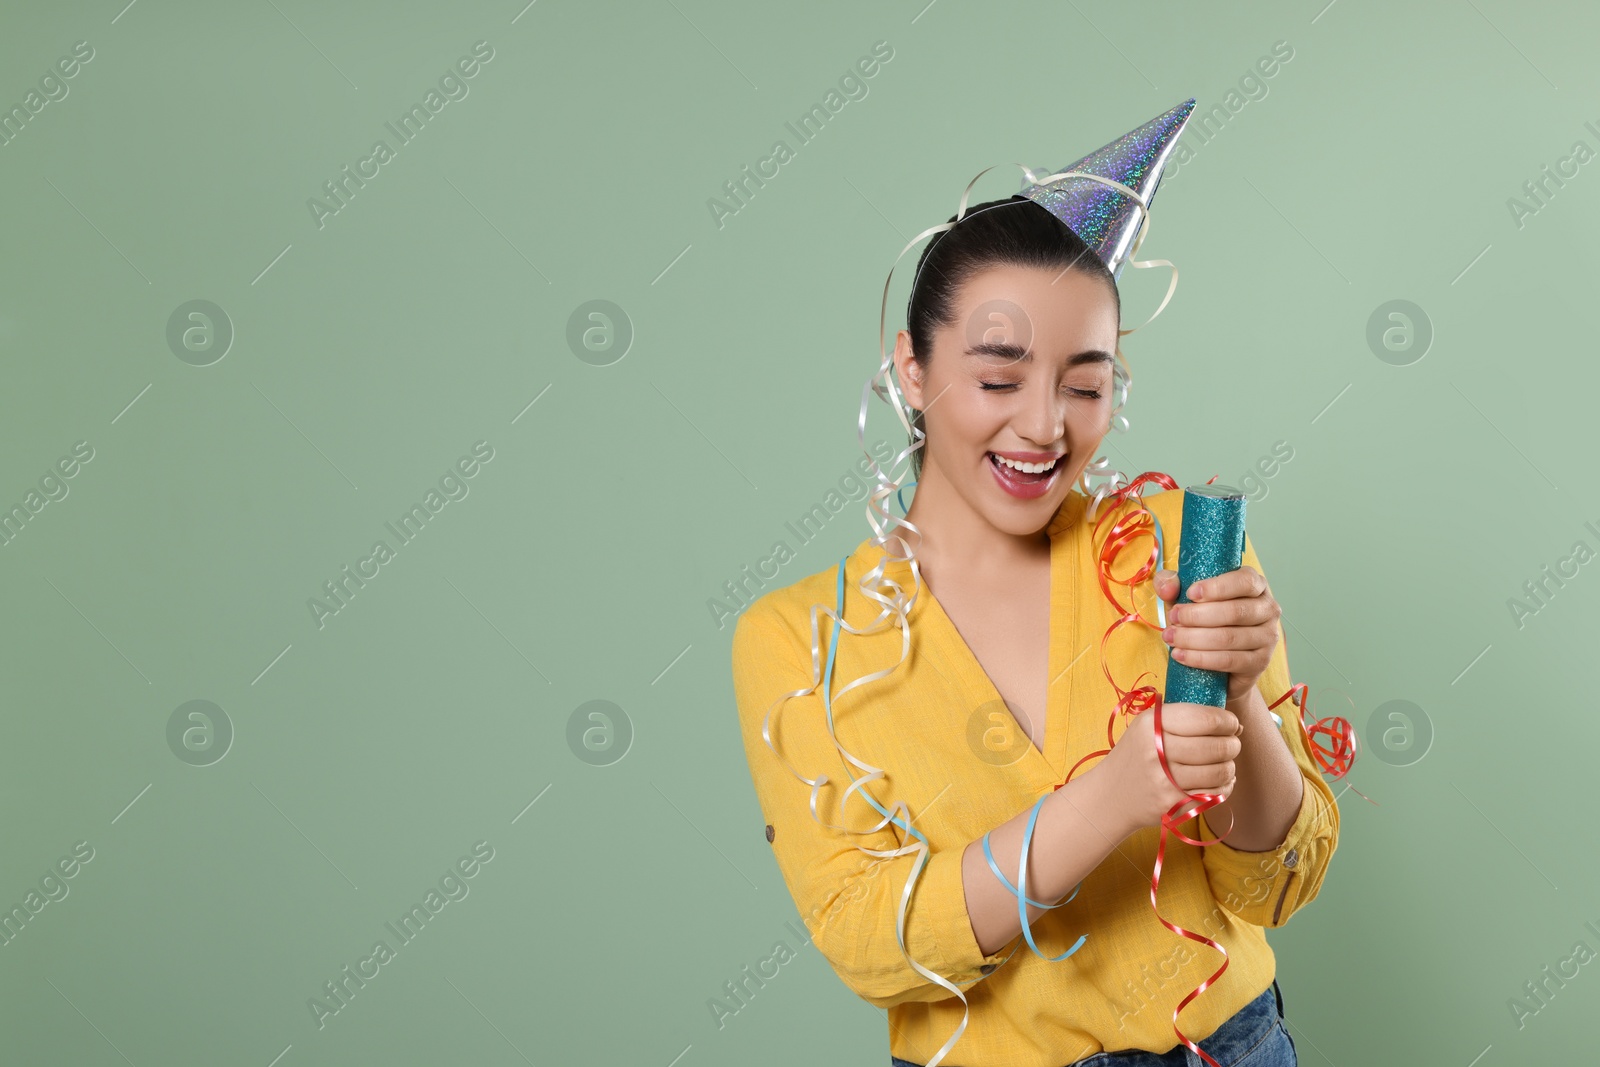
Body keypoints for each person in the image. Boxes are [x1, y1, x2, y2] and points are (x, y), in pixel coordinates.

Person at [729, 103, 1340, 1067]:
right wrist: (1112, 797)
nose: (1046, 426)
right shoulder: (803, 637)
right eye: (1000, 377)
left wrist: (1238, 700)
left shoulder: (1180, 544)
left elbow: (1277, 884)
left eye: (1085, 386)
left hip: (1231, 1047)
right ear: (911, 367)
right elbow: (870, 940)